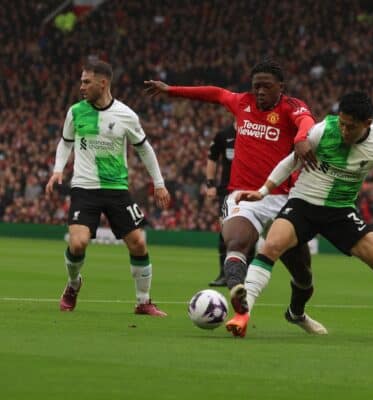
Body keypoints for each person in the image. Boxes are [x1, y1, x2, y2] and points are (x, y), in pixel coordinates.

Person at [230, 92, 373, 342]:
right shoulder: (323, 131)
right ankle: (242, 315)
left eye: (350, 127)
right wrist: (263, 191)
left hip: (341, 211)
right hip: (303, 204)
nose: (343, 130)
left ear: (367, 124)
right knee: (271, 246)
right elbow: (291, 162)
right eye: (341, 123)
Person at [144, 59, 320, 331]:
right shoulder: (242, 102)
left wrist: (301, 138)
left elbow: (306, 120)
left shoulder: (291, 107)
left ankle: (296, 313)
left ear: (280, 87)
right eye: (256, 86)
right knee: (235, 241)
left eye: (266, 86)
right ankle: (239, 293)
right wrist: (171, 90)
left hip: (284, 199)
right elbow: (214, 93)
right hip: (242, 195)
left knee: (303, 276)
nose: (260, 91)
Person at [45, 60, 171, 316]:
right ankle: (73, 285)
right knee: (78, 243)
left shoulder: (126, 115)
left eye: (86, 82)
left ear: (103, 83)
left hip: (116, 188)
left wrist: (159, 183)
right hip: (84, 187)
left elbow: (144, 149)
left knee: (137, 243)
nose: (81, 87)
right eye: (81, 81)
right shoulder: (76, 112)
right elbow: (65, 143)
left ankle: (143, 301)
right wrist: (58, 169)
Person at [205, 122, 236, 287]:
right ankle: (224, 274)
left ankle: (247, 275)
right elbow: (212, 158)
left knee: (251, 233)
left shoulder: (256, 131)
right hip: (227, 191)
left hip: (250, 190)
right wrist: (210, 184)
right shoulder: (224, 134)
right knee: (225, 231)